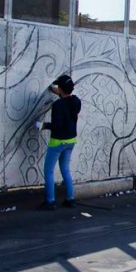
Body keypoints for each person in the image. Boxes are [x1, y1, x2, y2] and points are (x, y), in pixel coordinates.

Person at [39, 73, 81, 210]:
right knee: (65, 170)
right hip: (71, 141)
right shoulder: (76, 101)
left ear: (61, 89)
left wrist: (44, 125)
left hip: (57, 142)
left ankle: (50, 201)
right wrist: (55, 89)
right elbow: (66, 100)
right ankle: (70, 199)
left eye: (58, 87)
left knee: (49, 171)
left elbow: (57, 126)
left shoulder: (57, 105)